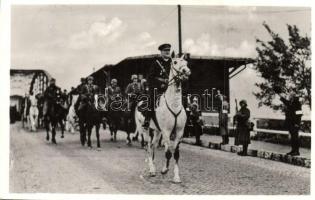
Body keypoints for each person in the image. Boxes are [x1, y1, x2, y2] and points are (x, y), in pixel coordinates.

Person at [143, 43, 172, 129]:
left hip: (169, 87)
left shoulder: (172, 62)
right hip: (157, 88)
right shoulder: (156, 63)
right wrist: (161, 83)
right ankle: (147, 120)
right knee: (152, 100)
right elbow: (150, 77)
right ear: (161, 52)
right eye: (165, 51)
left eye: (168, 50)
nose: (167, 52)